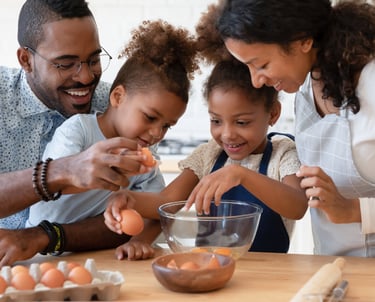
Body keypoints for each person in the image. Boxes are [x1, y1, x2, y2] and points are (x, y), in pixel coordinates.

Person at [104, 6, 307, 254]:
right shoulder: (209, 156)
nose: (227, 134)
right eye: (216, 121)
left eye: (242, 122)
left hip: (271, 275)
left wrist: (240, 175)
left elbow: (298, 206)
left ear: (273, 114)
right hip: (211, 270)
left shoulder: (283, 153)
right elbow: (167, 202)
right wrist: (130, 200)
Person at [25, 19, 200, 261]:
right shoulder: (79, 130)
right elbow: (58, 183)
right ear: (118, 97)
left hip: (95, 253)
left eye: (167, 126)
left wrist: (139, 242)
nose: (157, 133)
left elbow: (159, 212)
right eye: (150, 117)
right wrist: (113, 166)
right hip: (39, 252)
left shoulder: (146, 161)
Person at [214, 0, 375, 256]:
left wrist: (353, 210)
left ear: (303, 41)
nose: (256, 81)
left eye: (262, 65)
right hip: (335, 263)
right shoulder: (306, 86)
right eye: (248, 67)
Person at [0, 0, 154, 267]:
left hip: (89, 264)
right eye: (66, 64)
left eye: (93, 60)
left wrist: (45, 236)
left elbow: (142, 211)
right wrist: (61, 171)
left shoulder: (114, 104)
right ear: (26, 60)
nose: (85, 77)